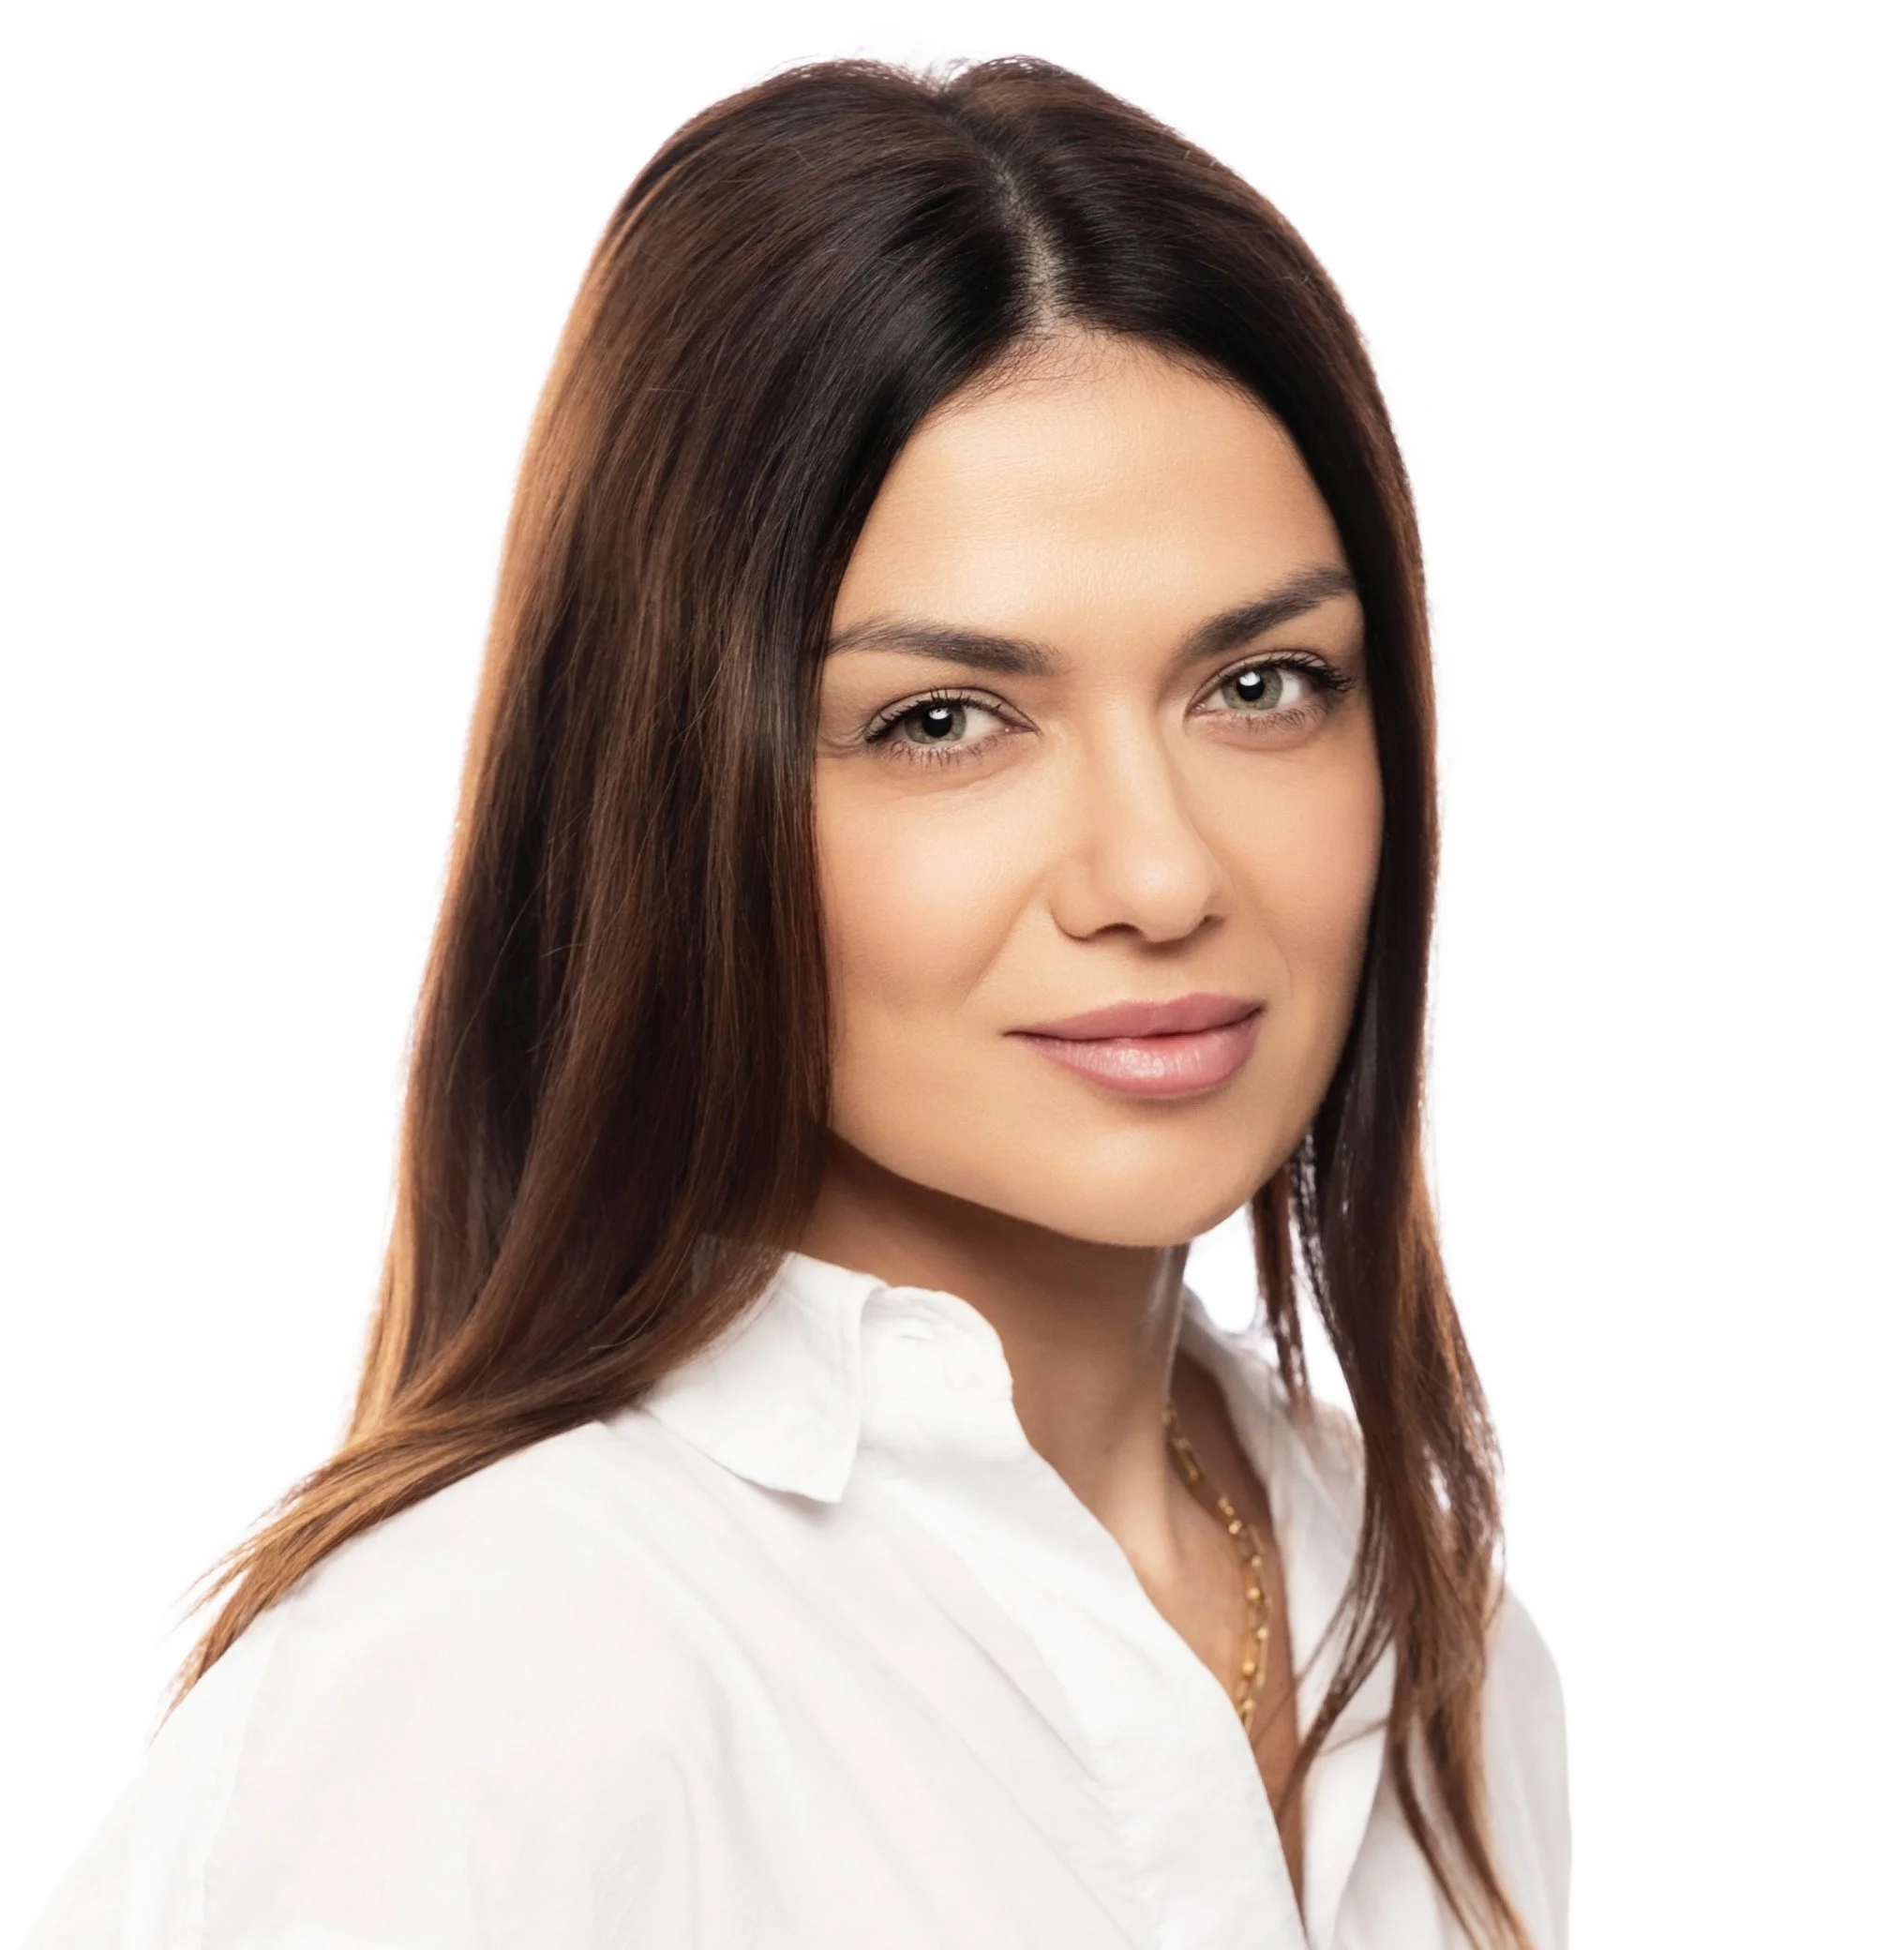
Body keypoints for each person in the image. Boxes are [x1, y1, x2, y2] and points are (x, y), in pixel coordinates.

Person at [29, 55, 1569, 1950]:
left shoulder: (1427, 1625)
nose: (1159, 875)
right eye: (942, 720)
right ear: (673, 794)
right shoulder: (491, 1695)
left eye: (1259, 684)